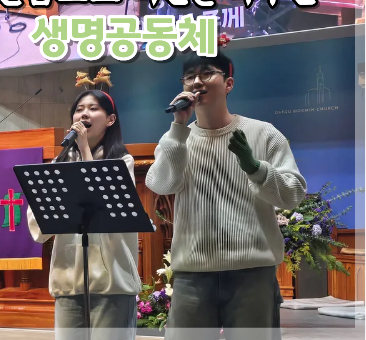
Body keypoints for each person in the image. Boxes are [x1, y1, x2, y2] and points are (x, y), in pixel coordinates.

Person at [145, 52, 307, 340]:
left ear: (229, 83)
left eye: (206, 73)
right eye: (189, 77)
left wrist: (256, 169)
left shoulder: (263, 133)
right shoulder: (177, 138)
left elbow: (293, 193)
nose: (196, 81)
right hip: (192, 275)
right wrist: (178, 127)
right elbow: (161, 184)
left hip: (252, 272)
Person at [25, 90, 139, 340]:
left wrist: (84, 149)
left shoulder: (122, 162)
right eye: (79, 109)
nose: (84, 114)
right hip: (68, 281)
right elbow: (37, 223)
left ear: (110, 119)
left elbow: (111, 210)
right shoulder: (58, 164)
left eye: (93, 108)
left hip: (112, 282)